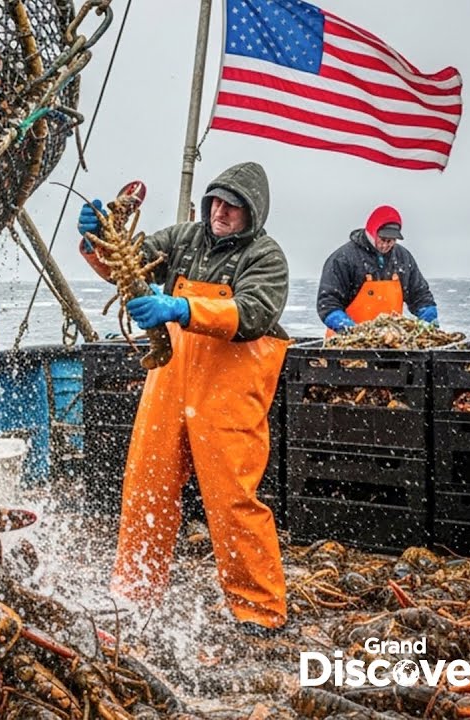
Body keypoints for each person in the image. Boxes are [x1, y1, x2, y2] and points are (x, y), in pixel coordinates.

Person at [77, 162, 291, 635]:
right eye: (216, 202)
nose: (220, 212)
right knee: (145, 487)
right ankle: (134, 593)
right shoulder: (184, 238)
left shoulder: (266, 256)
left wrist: (181, 307)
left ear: (252, 212)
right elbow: (126, 263)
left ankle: (259, 609)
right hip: (170, 381)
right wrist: (98, 240)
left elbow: (254, 312)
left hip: (228, 392)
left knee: (232, 499)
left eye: (233, 206)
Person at [317, 205, 438, 334]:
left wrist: (428, 315)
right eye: (382, 239)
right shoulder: (343, 259)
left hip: (390, 340)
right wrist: (348, 328)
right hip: (346, 341)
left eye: (391, 241)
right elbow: (328, 302)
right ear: (372, 232)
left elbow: (419, 295)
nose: (385, 245)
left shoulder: (403, 258)